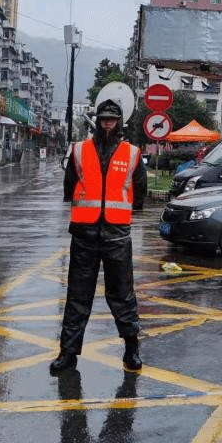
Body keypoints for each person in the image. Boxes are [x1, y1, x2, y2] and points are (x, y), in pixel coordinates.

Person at [50, 99, 148, 374]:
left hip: (116, 235)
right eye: (104, 118)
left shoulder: (131, 153)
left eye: (112, 119)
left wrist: (126, 213)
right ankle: (68, 354)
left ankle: (131, 349)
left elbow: (140, 188)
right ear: (97, 120)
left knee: (123, 296)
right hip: (84, 234)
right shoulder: (79, 150)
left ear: (119, 121)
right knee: (77, 296)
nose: (108, 122)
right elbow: (69, 185)